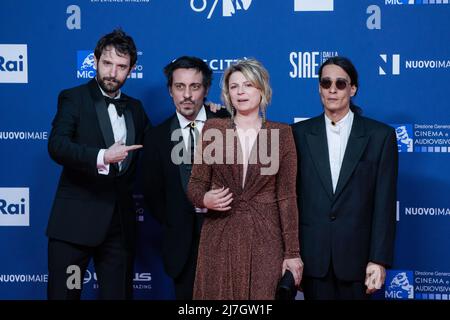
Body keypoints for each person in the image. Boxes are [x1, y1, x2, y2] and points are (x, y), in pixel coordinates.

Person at [46, 29, 151, 300]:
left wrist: (206, 114)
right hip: (74, 227)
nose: (112, 73)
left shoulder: (136, 109)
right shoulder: (73, 98)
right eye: (107, 63)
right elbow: (57, 146)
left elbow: (159, 146)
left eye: (121, 67)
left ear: (131, 70)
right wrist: (102, 156)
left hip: (119, 229)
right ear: (95, 61)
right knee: (64, 296)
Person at [187, 58, 303, 300]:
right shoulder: (213, 129)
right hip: (219, 235)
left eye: (248, 85)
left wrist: (292, 252)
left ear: (262, 90)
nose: (241, 92)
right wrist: (204, 198)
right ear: (227, 94)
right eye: (234, 86)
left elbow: (287, 197)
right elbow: (196, 185)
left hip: (265, 239)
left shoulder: (281, 134)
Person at [291, 56, 398, 300]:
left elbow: (385, 204)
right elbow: (290, 199)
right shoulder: (298, 134)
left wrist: (379, 259)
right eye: (326, 83)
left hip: (358, 263)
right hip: (313, 261)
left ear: (353, 89)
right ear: (319, 87)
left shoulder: (380, 136)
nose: (332, 89)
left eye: (340, 84)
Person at [142, 56, 229, 299]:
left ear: (206, 90)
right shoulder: (156, 138)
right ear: (170, 90)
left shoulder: (227, 123)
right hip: (181, 247)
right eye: (180, 87)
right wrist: (179, 217)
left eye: (195, 86)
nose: (187, 94)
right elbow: (153, 196)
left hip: (227, 238)